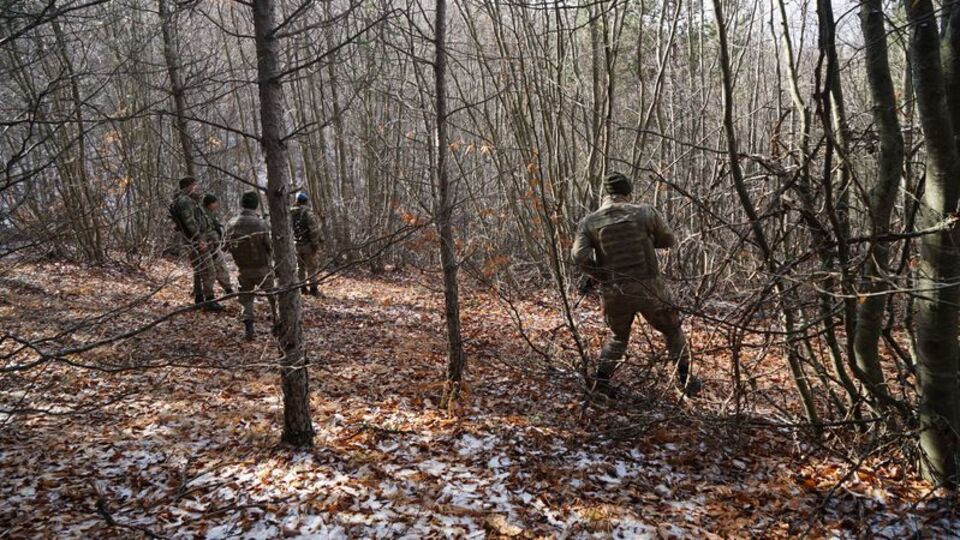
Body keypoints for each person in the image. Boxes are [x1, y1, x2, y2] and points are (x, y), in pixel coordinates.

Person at [571, 172, 700, 397]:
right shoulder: (644, 213)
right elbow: (668, 239)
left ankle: (601, 383)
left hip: (614, 291)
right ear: (628, 192)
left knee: (618, 337)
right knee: (672, 329)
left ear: (606, 193)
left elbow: (578, 256)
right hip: (649, 288)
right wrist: (647, 241)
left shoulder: (589, 222)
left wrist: (601, 275)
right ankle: (685, 381)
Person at [225, 192, 278, 340]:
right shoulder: (260, 224)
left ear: (242, 204)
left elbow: (225, 246)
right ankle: (277, 324)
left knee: (246, 299)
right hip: (262, 269)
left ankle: (249, 329)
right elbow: (270, 247)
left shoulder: (231, 224)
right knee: (273, 298)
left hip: (243, 269)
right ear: (255, 205)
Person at [169, 176, 224, 312]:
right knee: (209, 270)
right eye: (194, 186)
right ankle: (210, 301)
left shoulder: (186, 200)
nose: (196, 188)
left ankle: (199, 299)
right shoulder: (184, 201)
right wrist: (199, 239)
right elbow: (190, 222)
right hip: (195, 240)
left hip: (193, 240)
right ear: (188, 186)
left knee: (199, 270)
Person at [289, 192, 323, 296]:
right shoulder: (308, 214)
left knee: (300, 267)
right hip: (307, 245)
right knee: (311, 268)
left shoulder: (289, 213)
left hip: (295, 245)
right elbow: (314, 231)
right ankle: (313, 289)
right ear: (306, 201)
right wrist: (315, 244)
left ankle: (302, 289)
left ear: (297, 201)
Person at [202, 193, 234, 296]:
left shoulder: (210, 214)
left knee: (222, 267)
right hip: (208, 247)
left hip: (215, 246)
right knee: (210, 272)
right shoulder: (204, 215)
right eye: (215, 203)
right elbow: (205, 231)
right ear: (209, 204)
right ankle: (209, 296)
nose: (217, 205)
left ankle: (228, 289)